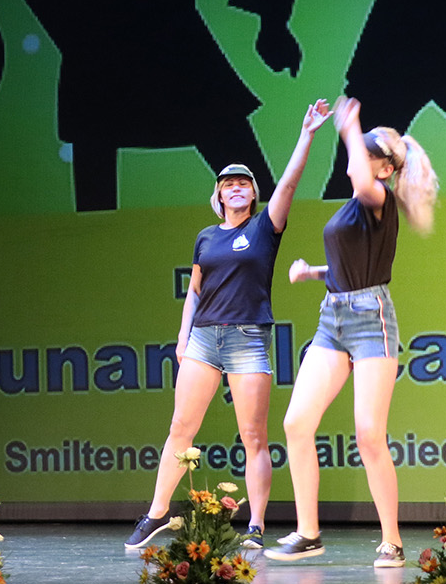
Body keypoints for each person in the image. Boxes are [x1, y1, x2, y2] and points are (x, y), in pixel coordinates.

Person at [125, 101, 332, 552]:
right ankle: (156, 514)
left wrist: (307, 134)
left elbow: (290, 182)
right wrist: (182, 337)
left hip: (247, 338)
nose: (236, 188)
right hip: (203, 339)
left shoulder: (264, 228)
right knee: (181, 427)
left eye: (243, 183)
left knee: (254, 436)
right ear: (218, 195)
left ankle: (255, 525)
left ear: (253, 195)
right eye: (228, 184)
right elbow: (194, 291)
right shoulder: (206, 236)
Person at [264, 97, 438, 567]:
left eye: (364, 154)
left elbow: (363, 185)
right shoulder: (353, 210)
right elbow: (352, 264)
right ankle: (308, 533)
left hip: (370, 320)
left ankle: (392, 541)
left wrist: (350, 127)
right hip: (333, 318)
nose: (354, 160)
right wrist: (313, 273)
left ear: (385, 168)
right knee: (297, 423)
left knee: (368, 434)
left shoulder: (377, 198)